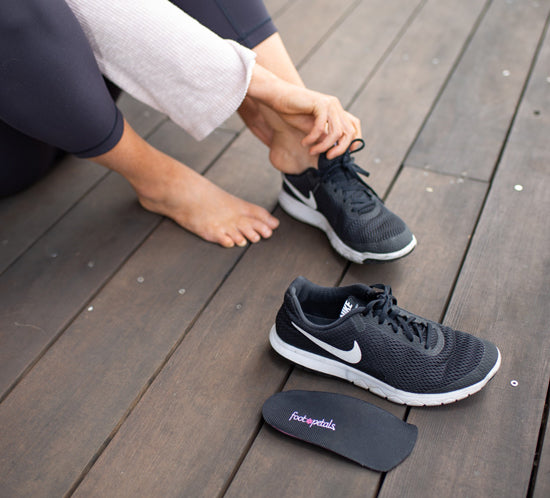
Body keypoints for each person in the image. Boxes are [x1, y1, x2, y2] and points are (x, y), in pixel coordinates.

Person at [0, 0, 416, 262]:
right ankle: (160, 182)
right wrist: (261, 86)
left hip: (72, 83)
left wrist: (276, 92)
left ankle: (302, 147)